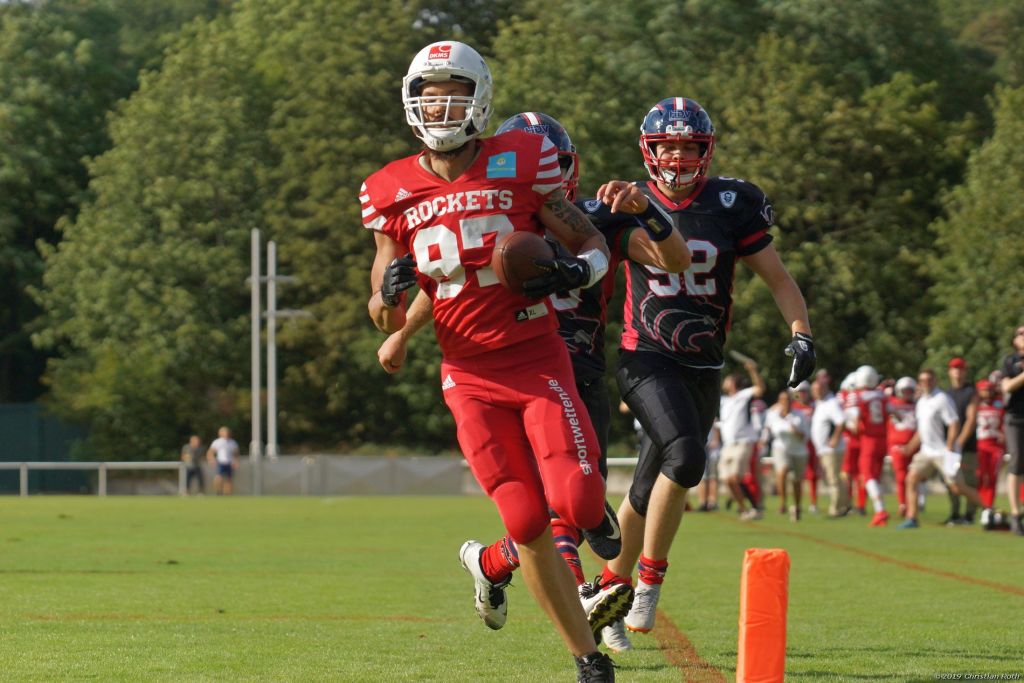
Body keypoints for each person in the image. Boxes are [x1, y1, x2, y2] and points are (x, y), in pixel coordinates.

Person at [375, 110, 690, 655]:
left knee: (568, 502)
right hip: (499, 365)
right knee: (539, 513)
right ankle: (585, 602)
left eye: (561, 165)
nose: (554, 176)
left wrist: (651, 213)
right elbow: (451, 277)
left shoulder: (590, 216)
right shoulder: (495, 206)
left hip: (574, 369)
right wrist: (401, 331)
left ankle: (491, 562)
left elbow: (673, 260)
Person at [363, 41, 621, 680]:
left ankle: (581, 519)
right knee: (527, 519)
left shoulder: (522, 161)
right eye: (428, 93)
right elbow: (381, 308)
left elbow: (590, 242)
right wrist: (388, 298)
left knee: (580, 503)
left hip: (536, 358)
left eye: (452, 91)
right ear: (409, 100)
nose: (440, 104)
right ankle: (586, 658)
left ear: (478, 97)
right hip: (468, 375)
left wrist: (572, 271)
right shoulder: (388, 189)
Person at [589, 97, 815, 638]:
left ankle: (603, 595)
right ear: (649, 150)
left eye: (689, 146)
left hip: (704, 362)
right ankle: (648, 584)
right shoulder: (622, 203)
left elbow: (778, 277)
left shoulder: (732, 203)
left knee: (647, 488)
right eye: (668, 145)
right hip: (645, 354)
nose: (678, 156)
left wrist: (801, 334)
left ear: (706, 151)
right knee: (688, 459)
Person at [897, 369, 984, 529]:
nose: (926, 383)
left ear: (935, 380)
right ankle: (912, 518)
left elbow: (953, 422)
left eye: (929, 380)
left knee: (958, 488)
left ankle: (989, 510)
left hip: (942, 451)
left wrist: (951, 445)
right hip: (926, 451)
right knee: (911, 479)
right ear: (919, 382)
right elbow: (921, 430)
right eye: (923, 380)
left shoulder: (942, 399)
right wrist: (909, 447)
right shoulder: (921, 402)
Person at [717, 361, 767, 519]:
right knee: (726, 479)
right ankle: (745, 510)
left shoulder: (743, 395)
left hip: (743, 442)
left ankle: (755, 507)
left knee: (735, 478)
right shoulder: (724, 400)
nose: (725, 382)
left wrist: (753, 370)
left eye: (728, 380)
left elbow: (760, 389)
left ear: (733, 383)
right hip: (728, 445)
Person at [848, 365, 890, 526]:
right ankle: (880, 509)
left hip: (869, 440)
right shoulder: (882, 395)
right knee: (876, 476)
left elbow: (855, 423)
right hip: (883, 439)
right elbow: (894, 413)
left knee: (868, 475)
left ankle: (880, 510)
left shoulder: (858, 396)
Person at [962, 379, 1005, 528]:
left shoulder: (999, 404)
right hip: (978, 447)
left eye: (989, 390)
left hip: (995, 447)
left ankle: (987, 509)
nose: (987, 393)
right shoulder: (974, 406)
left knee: (991, 478)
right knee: (979, 478)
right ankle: (980, 508)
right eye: (984, 390)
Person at [764, 388, 811, 521]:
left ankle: (797, 506)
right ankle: (782, 503)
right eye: (783, 400)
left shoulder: (800, 415)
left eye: (788, 400)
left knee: (797, 480)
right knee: (782, 471)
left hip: (799, 450)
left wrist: (795, 432)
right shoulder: (773, 415)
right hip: (781, 448)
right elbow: (767, 429)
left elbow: (805, 437)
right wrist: (762, 441)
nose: (786, 402)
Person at [945, 357, 978, 524]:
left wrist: (960, 441)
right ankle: (955, 513)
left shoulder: (970, 392)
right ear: (950, 372)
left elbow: (971, 419)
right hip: (950, 446)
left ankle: (970, 514)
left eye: (960, 368)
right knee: (951, 481)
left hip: (967, 445)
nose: (957, 371)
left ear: (965, 371)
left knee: (969, 480)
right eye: (954, 368)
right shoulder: (946, 394)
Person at [810, 376, 849, 517]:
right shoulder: (821, 403)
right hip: (823, 449)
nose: (815, 392)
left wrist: (834, 439)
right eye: (813, 389)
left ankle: (836, 509)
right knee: (831, 478)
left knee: (833, 478)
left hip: (831, 449)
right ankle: (844, 504)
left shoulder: (831, 403)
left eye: (817, 389)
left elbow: (841, 421)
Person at [999, 325, 1024, 535]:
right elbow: (1006, 386)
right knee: (1016, 463)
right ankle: (1016, 515)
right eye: (1022, 333)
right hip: (1016, 418)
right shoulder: (1010, 361)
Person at [887, 376, 919, 518]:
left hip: (914, 444)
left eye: (910, 390)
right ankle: (903, 504)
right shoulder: (892, 403)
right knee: (901, 476)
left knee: (915, 476)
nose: (907, 393)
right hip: (897, 445)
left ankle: (915, 504)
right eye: (905, 390)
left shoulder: (919, 404)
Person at [790, 380, 819, 513]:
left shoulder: (815, 405)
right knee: (798, 475)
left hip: (813, 442)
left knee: (813, 474)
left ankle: (813, 502)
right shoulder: (793, 407)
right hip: (798, 443)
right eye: (800, 392)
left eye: (805, 392)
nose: (802, 395)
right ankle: (797, 502)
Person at [206, 427, 238, 496]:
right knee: (218, 478)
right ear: (220, 433)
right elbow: (210, 452)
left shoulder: (232, 442)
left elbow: (235, 454)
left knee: (229, 479)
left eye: (227, 432)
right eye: (224, 432)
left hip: (229, 463)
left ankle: (228, 494)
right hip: (220, 462)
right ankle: (218, 492)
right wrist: (211, 460)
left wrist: (235, 462)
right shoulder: (217, 442)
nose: (226, 434)